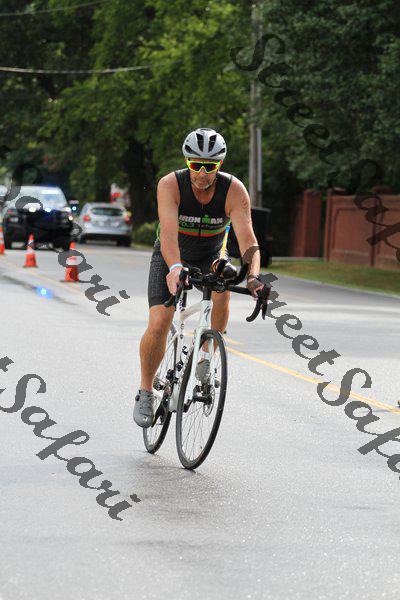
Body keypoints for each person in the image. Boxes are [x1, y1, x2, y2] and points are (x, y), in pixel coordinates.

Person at [134, 127, 267, 427]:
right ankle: (145, 391)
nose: (203, 173)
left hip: (211, 255)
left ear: (219, 165)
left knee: (223, 287)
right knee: (160, 321)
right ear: (187, 162)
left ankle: (206, 356)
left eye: (210, 166)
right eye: (196, 165)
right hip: (171, 254)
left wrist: (254, 277)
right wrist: (174, 268)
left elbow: (248, 240)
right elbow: (168, 236)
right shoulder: (171, 185)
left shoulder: (233, 190)